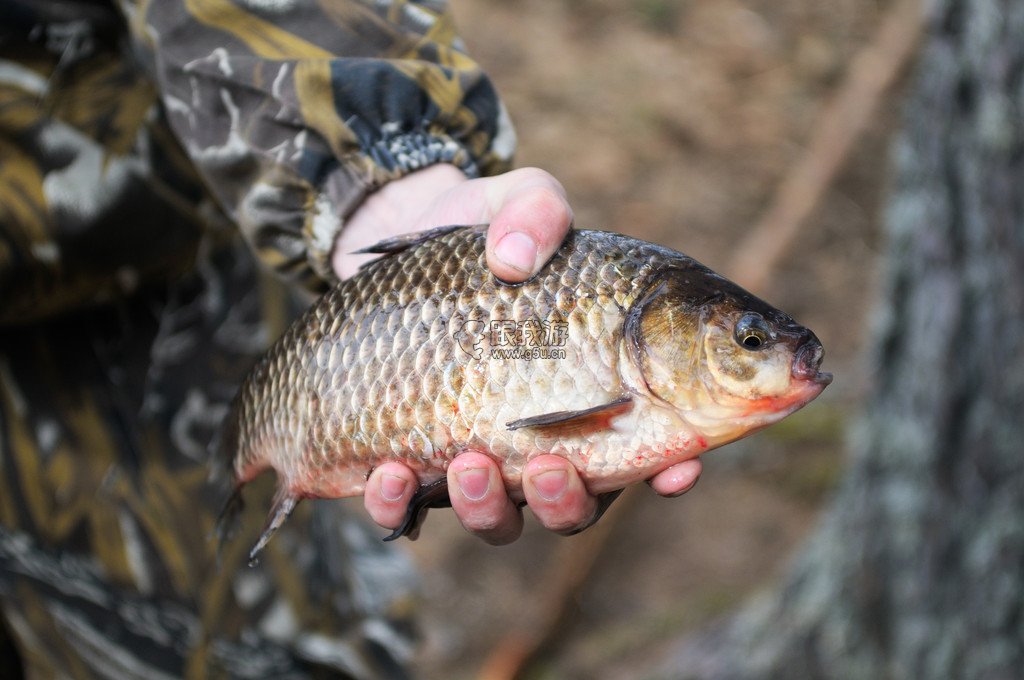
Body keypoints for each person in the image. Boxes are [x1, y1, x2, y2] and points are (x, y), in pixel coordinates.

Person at [0, 0, 701, 676]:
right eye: (752, 342)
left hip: (123, 292)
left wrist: (374, 174)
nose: (774, 356)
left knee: (232, 644)